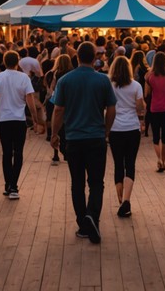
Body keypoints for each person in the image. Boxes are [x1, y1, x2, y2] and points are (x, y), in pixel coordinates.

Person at [51, 41, 117, 244]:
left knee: (77, 183)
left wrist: (54, 134)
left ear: (77, 57)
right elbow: (112, 108)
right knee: (97, 182)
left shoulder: (65, 80)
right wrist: (105, 130)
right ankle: (93, 216)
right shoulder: (103, 81)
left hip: (74, 138)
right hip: (96, 138)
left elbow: (58, 110)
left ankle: (82, 223)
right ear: (95, 58)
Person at [0, 50, 37, 200]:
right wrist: (35, 119)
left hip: (3, 120)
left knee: (6, 153)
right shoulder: (24, 78)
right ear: (17, 62)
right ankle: (14, 185)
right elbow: (30, 100)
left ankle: (7, 183)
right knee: (19, 153)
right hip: (19, 119)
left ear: (4, 62)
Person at [108, 55, 144, 218]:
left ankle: (121, 199)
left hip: (115, 128)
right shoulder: (136, 85)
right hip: (132, 127)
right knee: (130, 163)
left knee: (117, 164)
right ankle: (126, 201)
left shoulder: (110, 85)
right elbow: (139, 108)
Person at [145, 51, 165, 172]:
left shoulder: (150, 76)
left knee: (155, 137)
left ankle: (158, 159)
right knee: (164, 138)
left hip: (154, 108)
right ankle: (164, 161)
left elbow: (147, 93)